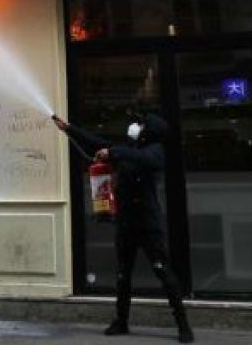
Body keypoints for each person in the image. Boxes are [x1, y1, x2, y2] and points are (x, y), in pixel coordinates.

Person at [52, 111, 194, 343]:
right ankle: (121, 321)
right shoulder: (128, 149)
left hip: (148, 225)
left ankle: (183, 326)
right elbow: (96, 143)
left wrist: (113, 153)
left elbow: (143, 158)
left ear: (149, 132)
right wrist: (69, 129)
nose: (136, 127)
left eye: (141, 125)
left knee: (164, 273)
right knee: (122, 274)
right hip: (126, 223)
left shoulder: (155, 151)